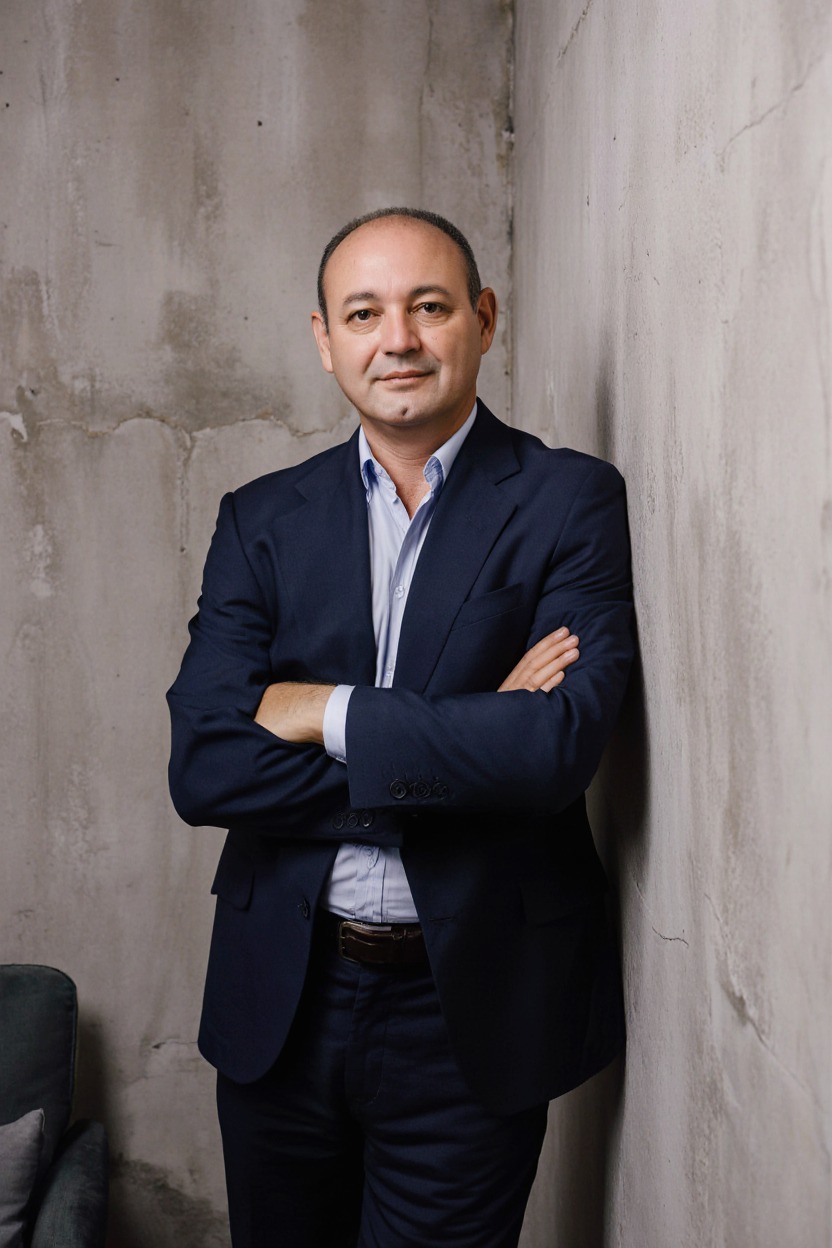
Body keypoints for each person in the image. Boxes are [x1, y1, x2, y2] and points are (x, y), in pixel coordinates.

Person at [167, 207, 634, 1248]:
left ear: (483, 318)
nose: (400, 340)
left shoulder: (568, 501)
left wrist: (321, 710)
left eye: (429, 306)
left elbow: (554, 751)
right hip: (284, 998)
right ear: (324, 339)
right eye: (364, 313)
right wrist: (467, 738)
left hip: (472, 1007)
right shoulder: (260, 520)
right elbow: (205, 768)